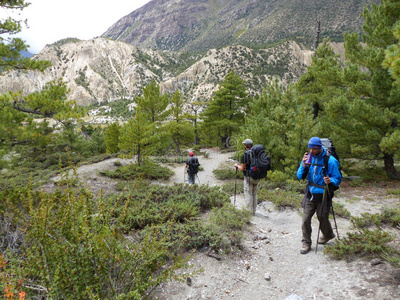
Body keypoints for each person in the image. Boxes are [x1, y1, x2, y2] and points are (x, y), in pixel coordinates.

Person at [297, 137, 342, 254]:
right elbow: (299, 175)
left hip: (324, 194)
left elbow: (337, 179)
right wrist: (303, 164)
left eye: (314, 148)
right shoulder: (309, 158)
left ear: (319, 147)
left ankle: (328, 234)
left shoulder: (330, 161)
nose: (311, 151)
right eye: (310, 148)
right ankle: (306, 242)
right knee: (305, 219)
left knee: (322, 217)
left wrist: (330, 180)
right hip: (310, 193)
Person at [234, 139, 259, 215]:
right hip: (257, 176)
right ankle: (253, 211)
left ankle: (249, 212)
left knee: (248, 193)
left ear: (246, 145)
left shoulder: (246, 154)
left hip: (248, 177)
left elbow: (242, 169)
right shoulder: (257, 152)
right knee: (254, 193)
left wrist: (237, 166)